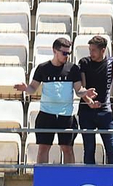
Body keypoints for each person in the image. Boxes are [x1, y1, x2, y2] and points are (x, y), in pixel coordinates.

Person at [18, 36, 84, 165]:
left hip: (66, 115)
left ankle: (69, 178)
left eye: (69, 53)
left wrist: (85, 92)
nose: (67, 56)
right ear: (55, 51)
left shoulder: (73, 69)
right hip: (46, 114)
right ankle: (42, 179)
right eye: (64, 53)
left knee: (67, 148)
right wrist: (26, 88)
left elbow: (78, 90)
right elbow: (33, 88)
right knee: (43, 147)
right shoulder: (43, 68)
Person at [74, 34, 113, 166]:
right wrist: (89, 101)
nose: (91, 53)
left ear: (103, 50)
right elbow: (82, 87)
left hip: (105, 111)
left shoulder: (112, 62)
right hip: (86, 110)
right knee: (89, 149)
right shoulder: (84, 62)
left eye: (94, 50)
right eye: (90, 50)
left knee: (112, 148)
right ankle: (90, 178)